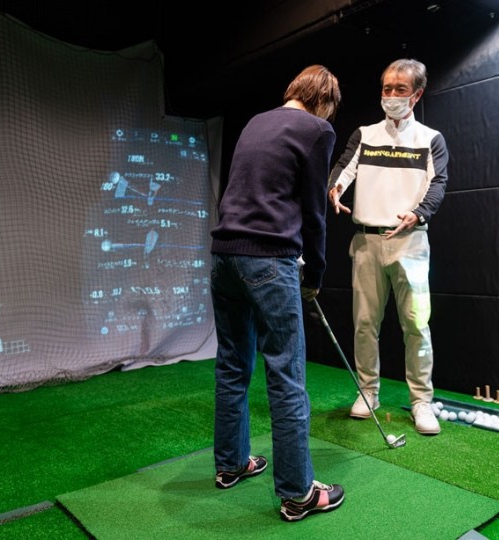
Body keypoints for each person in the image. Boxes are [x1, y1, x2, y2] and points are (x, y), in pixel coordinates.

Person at [210, 64, 345, 522]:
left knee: (232, 366)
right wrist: (315, 274)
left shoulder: (256, 121)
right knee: (286, 376)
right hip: (268, 260)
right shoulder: (318, 130)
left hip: (224, 255)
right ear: (324, 101)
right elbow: (314, 211)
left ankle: (232, 464)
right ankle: (298, 493)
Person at [327, 58, 448, 436]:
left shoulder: (430, 138)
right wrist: (335, 188)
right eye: (386, 88)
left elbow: (438, 183)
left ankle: (421, 400)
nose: (391, 95)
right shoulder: (365, 134)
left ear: (417, 95)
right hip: (367, 242)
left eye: (400, 89)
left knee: (416, 324)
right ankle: (368, 392)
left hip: (410, 242)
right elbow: (344, 167)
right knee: (365, 323)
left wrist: (420, 212)